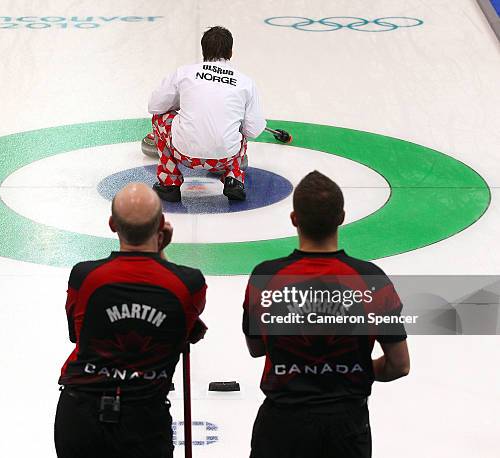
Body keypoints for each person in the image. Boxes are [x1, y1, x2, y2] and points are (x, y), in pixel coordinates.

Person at [243, 171, 410, 458]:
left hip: (282, 426)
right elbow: (399, 365)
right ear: (342, 217)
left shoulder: (266, 277)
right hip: (345, 427)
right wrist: (355, 371)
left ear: (294, 219)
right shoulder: (372, 279)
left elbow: (257, 348)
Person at [54, 183, 207, 458]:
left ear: (112, 225)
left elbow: (77, 335)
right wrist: (160, 252)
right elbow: (187, 329)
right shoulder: (189, 283)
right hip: (143, 420)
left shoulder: (84, 276)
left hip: (80, 415)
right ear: (161, 225)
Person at [147, 26, 266, 202]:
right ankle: (233, 178)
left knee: (160, 119)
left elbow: (155, 106)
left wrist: (181, 104)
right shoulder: (246, 83)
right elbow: (254, 130)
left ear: (203, 50)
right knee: (243, 126)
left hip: (184, 154)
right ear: (231, 52)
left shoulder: (184, 73)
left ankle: (169, 183)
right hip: (225, 158)